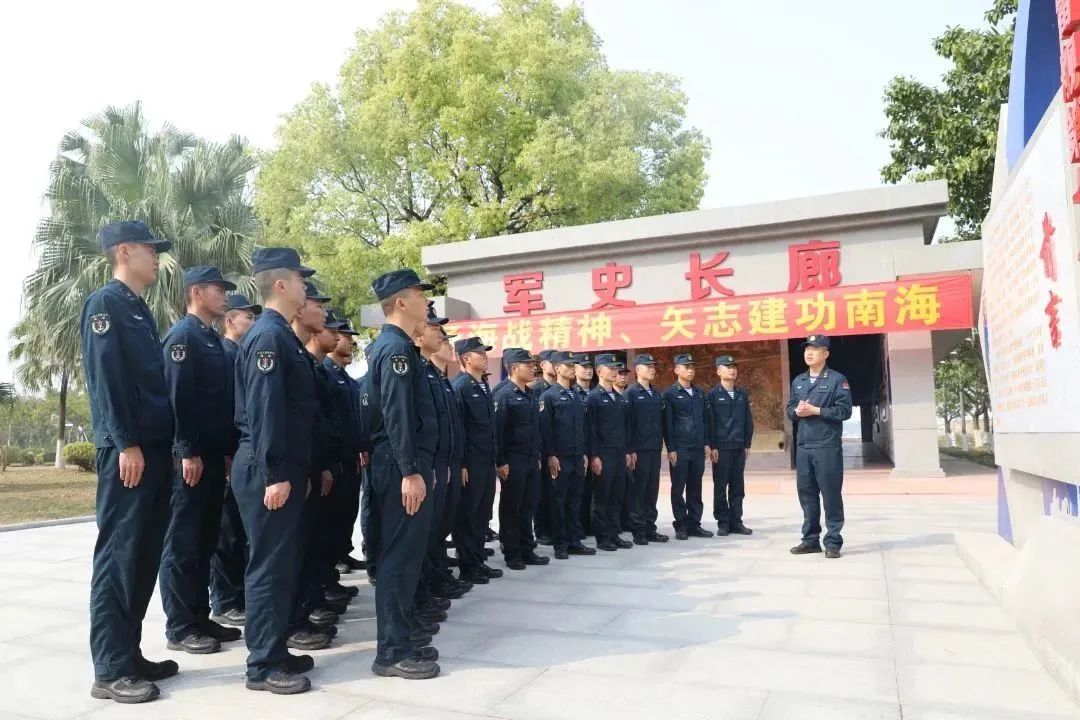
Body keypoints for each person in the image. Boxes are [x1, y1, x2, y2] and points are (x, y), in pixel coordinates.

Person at [83, 221, 175, 704]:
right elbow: (107, 379)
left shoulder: (138, 308)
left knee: (141, 556)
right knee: (119, 556)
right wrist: (126, 443)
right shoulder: (105, 304)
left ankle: (129, 654)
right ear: (124, 251)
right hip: (129, 451)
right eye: (149, 249)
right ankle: (110, 669)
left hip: (153, 449)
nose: (156, 256)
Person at [232, 247, 318, 695]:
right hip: (268, 467)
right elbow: (265, 411)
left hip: (281, 465)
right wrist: (274, 474)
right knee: (268, 567)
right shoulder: (268, 336)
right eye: (301, 280)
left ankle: (275, 649)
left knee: (281, 565)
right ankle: (262, 665)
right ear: (281, 285)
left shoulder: (279, 334)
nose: (306, 287)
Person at [159, 267, 240, 657]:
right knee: (183, 542)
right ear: (196, 292)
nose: (224, 296)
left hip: (211, 456)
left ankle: (199, 616)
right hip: (190, 458)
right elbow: (178, 398)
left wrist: (225, 453)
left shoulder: (211, 339)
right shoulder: (183, 337)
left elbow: (219, 404)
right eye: (218, 289)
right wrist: (186, 450)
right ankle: (179, 625)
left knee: (205, 539)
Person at [366, 269, 441, 679]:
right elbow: (397, 416)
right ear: (400, 302)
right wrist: (410, 471)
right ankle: (391, 652)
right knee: (398, 557)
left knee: (407, 556)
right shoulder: (394, 348)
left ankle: (401, 639)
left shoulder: (399, 347)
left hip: (402, 464)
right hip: (400, 467)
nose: (426, 302)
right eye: (419, 294)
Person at [284, 282, 339, 652]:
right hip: (283, 470)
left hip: (307, 466)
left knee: (306, 548)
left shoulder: (301, 357)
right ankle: (277, 643)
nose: (323, 313)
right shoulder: (274, 342)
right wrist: (279, 473)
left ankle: (301, 615)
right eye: (317, 305)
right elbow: (267, 415)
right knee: (281, 560)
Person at [210, 293, 260, 629]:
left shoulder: (240, 353)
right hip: (229, 454)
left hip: (236, 453)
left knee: (239, 533)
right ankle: (225, 600)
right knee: (226, 534)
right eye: (248, 317)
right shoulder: (224, 353)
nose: (253, 323)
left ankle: (237, 595)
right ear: (230, 321)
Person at [786, 334, 852, 559]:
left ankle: (833, 542)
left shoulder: (837, 380)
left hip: (827, 447)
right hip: (804, 447)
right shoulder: (799, 381)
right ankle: (810, 540)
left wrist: (816, 411)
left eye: (815, 349)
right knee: (807, 495)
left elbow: (845, 411)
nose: (809, 353)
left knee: (831, 495)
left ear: (826, 354)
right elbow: (789, 409)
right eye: (807, 349)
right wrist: (796, 412)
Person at [413, 306, 457, 623]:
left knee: (436, 527)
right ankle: (418, 597)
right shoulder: (415, 369)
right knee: (420, 535)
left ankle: (431, 583)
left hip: (439, 462)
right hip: (419, 464)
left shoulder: (436, 376)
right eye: (435, 329)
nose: (442, 337)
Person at [452, 338, 501, 585]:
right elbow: (459, 428)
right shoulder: (460, 386)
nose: (485, 357)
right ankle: (468, 566)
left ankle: (478, 560)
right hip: (471, 462)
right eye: (480, 353)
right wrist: (461, 463)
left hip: (486, 459)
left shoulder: (482, 385)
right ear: (466, 358)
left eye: (485, 353)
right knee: (468, 516)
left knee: (482, 514)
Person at [493, 348, 546, 570]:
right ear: (514, 368)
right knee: (512, 507)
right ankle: (512, 551)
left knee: (528, 505)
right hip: (513, 460)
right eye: (528, 365)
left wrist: (537, 455)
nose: (533, 368)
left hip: (531, 459)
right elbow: (498, 432)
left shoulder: (531, 394)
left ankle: (527, 548)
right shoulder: (504, 395)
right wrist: (501, 461)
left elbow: (535, 429)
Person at [539, 351, 595, 559]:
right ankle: (560, 544)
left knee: (574, 501)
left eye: (573, 365)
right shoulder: (549, 396)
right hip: (559, 458)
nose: (572, 368)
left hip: (576, 457)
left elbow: (582, 428)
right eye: (568, 365)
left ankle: (574, 541)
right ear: (556, 368)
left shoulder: (576, 395)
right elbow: (545, 430)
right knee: (558, 502)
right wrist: (550, 455)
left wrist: (584, 453)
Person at [662, 354, 713, 541]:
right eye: (686, 367)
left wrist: (706, 443)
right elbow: (668, 424)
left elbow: (704, 420)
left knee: (695, 487)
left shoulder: (699, 392)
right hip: (680, 448)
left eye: (692, 367)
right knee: (678, 487)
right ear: (677, 370)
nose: (690, 371)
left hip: (697, 447)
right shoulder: (670, 394)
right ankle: (681, 524)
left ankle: (694, 524)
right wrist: (671, 448)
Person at [586, 354, 633, 552]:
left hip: (619, 454)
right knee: (602, 498)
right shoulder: (593, 398)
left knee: (616, 496)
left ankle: (614, 534)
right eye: (611, 368)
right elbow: (591, 429)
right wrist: (594, 456)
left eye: (616, 368)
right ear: (599, 371)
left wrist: (628, 451)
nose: (615, 372)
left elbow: (625, 427)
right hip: (603, 455)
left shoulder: (619, 398)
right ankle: (603, 537)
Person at [706, 355, 755, 537]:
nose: (732, 370)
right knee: (720, 487)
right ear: (719, 371)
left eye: (734, 367)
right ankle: (723, 522)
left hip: (739, 447)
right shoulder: (712, 395)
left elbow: (748, 420)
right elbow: (710, 422)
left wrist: (747, 443)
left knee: (737, 487)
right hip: (721, 448)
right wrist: (712, 446)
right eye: (728, 367)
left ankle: (736, 521)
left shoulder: (742, 394)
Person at [625, 354, 667, 545]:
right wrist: (630, 449)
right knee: (638, 491)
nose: (652, 369)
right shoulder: (630, 393)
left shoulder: (656, 394)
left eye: (653, 366)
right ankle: (638, 530)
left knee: (652, 490)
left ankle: (650, 528)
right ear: (637, 369)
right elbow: (627, 424)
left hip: (654, 449)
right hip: (638, 451)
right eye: (647, 366)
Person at [532, 350, 557, 546]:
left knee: (553, 492)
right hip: (541, 449)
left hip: (557, 448)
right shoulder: (537, 389)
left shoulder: (559, 389)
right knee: (540, 493)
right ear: (542, 365)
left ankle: (552, 527)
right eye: (552, 362)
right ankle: (541, 530)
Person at [573, 354, 595, 540]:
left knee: (592, 491)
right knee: (578, 491)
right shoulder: (572, 393)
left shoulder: (596, 393)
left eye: (590, 367)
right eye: (584, 367)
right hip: (578, 449)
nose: (588, 370)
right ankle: (577, 527)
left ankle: (590, 525)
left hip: (595, 448)